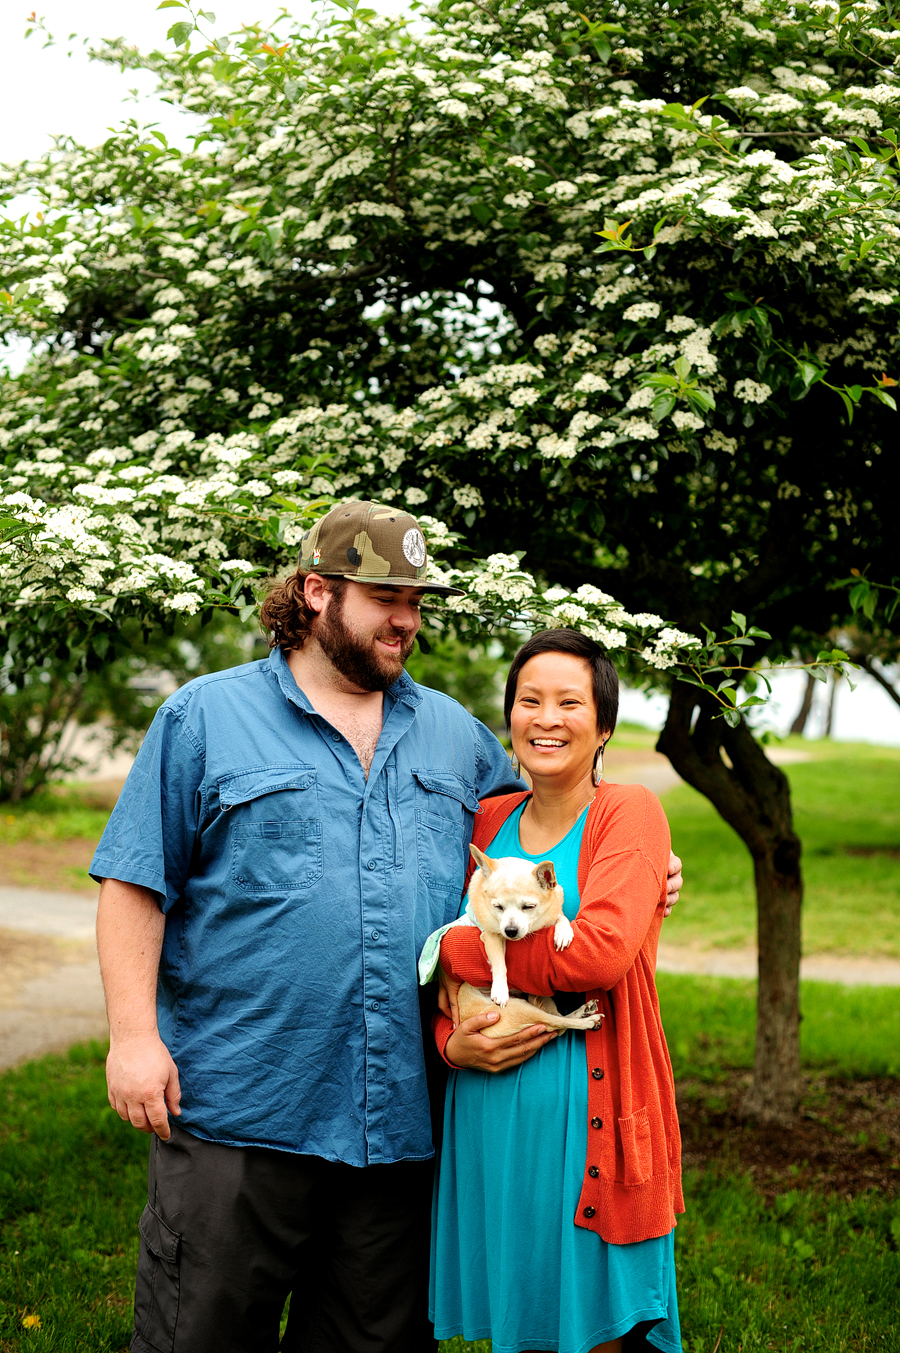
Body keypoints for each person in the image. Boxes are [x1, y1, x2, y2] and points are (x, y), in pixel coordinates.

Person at [92, 500, 683, 1353]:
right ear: (315, 594)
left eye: (415, 600)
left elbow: (542, 825)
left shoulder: (455, 736)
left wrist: (644, 867)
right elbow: (134, 882)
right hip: (239, 1110)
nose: (406, 619)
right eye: (383, 597)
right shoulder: (204, 718)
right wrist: (132, 1036)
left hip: (398, 1127)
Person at [429, 629, 683, 1353]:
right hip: (491, 1113)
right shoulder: (487, 820)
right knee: (525, 1318)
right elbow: (436, 980)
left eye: (571, 702)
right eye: (529, 699)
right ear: (508, 716)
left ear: (602, 725)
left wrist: (459, 946)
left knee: (592, 1322)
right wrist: (451, 1043)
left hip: (588, 1121)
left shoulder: (627, 812)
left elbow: (596, 956)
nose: (546, 717)